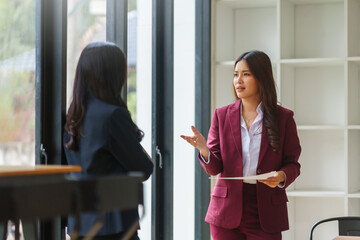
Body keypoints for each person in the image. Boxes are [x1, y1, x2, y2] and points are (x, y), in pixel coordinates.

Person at [181, 50, 301, 240]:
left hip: (266, 211)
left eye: (246, 74)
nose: (238, 80)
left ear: (262, 78)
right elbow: (214, 169)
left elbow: (293, 163)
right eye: (236, 74)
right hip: (226, 211)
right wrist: (204, 149)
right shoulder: (221, 115)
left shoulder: (283, 118)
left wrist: (281, 176)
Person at [63, 42, 153, 240]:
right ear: (112, 76)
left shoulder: (73, 116)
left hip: (80, 223)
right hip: (114, 225)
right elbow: (144, 168)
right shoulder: (113, 115)